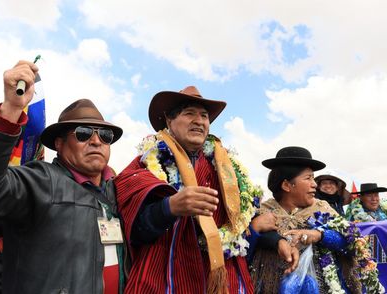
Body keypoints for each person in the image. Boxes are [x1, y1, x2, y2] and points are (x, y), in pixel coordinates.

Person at [114, 86, 298, 293]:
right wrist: (169, 207)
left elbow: (245, 222)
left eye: (204, 116)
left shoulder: (227, 168)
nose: (199, 121)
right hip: (165, 278)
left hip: (223, 279)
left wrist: (278, 241)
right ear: (169, 121)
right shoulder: (146, 164)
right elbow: (131, 228)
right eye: (189, 113)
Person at [0, 61, 127, 294]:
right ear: (59, 144)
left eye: (105, 135)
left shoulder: (115, 191)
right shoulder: (41, 181)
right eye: (83, 133)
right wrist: (11, 109)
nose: (96, 141)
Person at [250, 146, 379, 293]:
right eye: (308, 178)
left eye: (313, 177)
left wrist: (319, 235)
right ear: (287, 185)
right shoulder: (262, 213)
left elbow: (351, 243)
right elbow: (244, 253)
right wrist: (257, 230)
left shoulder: (322, 209)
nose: (315, 184)